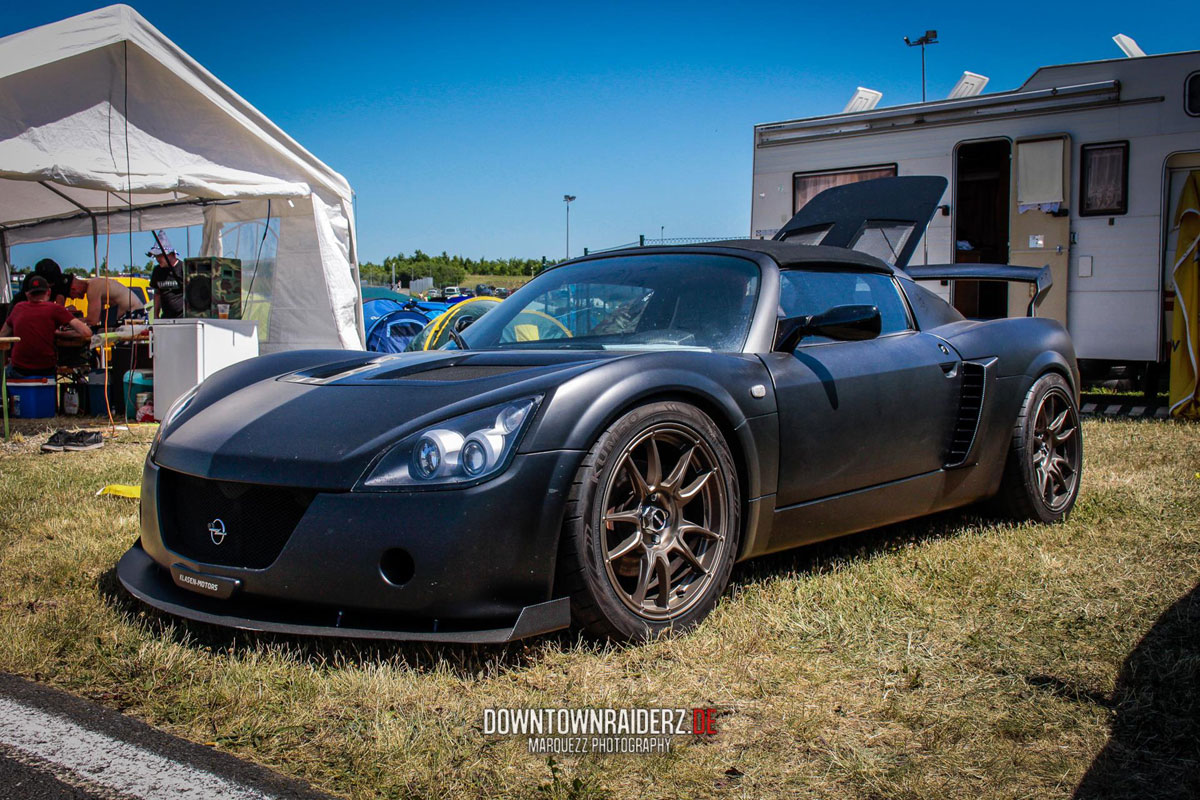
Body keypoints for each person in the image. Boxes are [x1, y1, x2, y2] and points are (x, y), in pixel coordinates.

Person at [0, 275, 93, 377]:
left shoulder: (18, 308)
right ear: (48, 292)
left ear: (27, 294)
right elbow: (87, 332)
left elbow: (2, 335)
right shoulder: (55, 309)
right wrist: (61, 334)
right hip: (45, 369)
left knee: (5, 373)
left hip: (19, 369)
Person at [67, 275, 145, 330]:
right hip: (134, 312)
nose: (73, 298)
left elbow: (92, 320)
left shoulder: (93, 288)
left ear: (73, 289)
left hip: (133, 313)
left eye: (71, 295)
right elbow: (99, 318)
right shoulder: (95, 284)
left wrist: (70, 321)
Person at [147, 232, 184, 319]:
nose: (157, 259)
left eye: (160, 255)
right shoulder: (157, 270)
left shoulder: (183, 268)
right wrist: (156, 315)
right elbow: (157, 294)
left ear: (171, 254)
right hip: (166, 318)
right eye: (156, 256)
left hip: (183, 318)